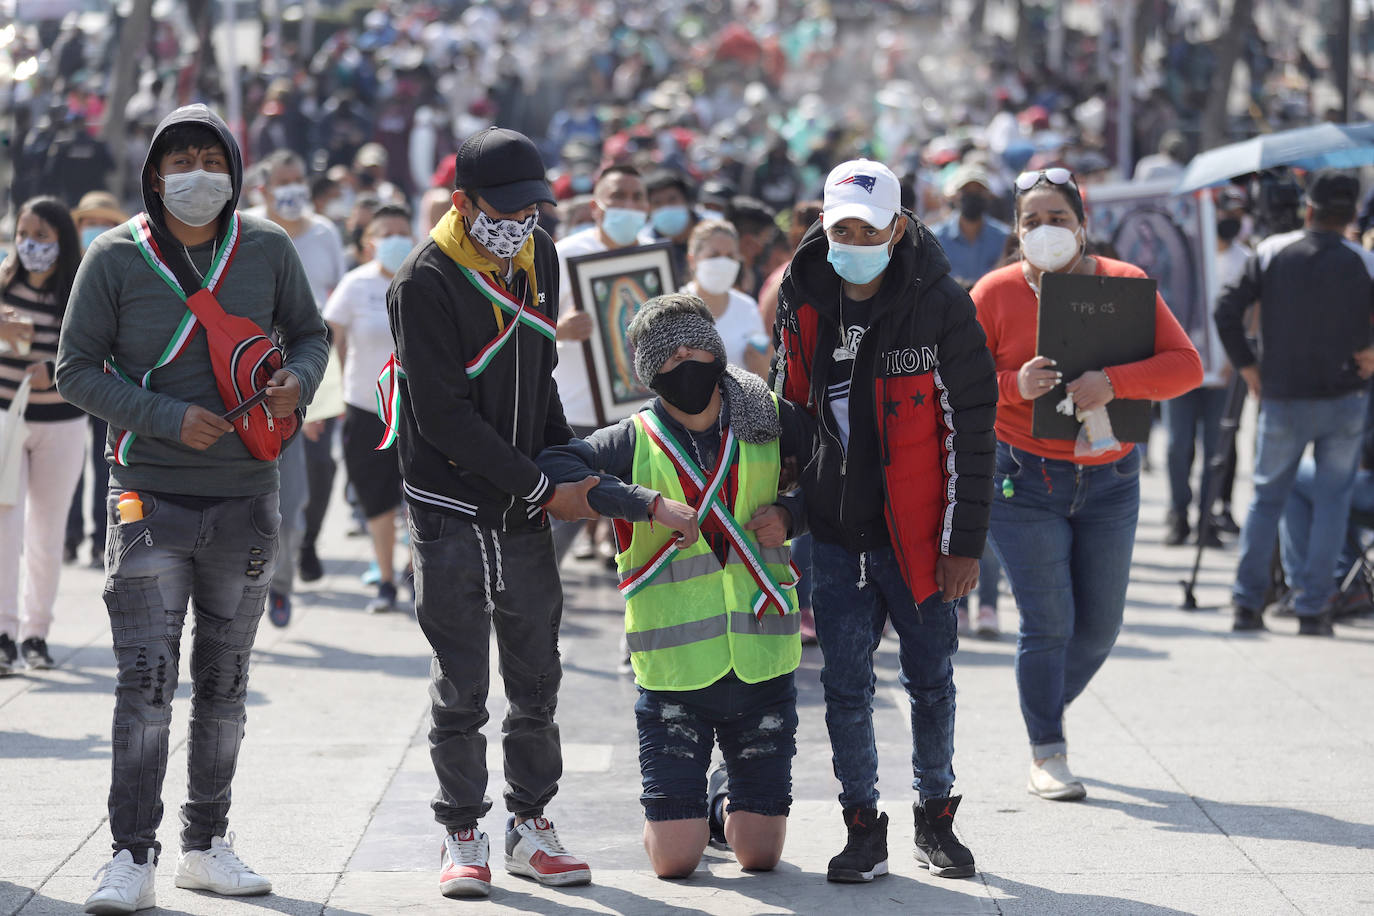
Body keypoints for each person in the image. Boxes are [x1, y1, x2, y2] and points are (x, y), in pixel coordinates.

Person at [57, 103, 329, 911]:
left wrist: (298, 382)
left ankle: (206, 844)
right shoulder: (112, 256)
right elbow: (75, 370)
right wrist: (167, 417)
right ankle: (129, 855)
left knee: (226, 682)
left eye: (212, 159)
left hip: (246, 498)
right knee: (144, 684)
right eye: (180, 162)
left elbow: (312, 336)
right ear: (153, 174)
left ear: (235, 172)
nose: (197, 175)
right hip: (148, 498)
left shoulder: (269, 248)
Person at [772, 158, 997, 883]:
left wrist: (963, 546)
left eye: (869, 227)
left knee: (931, 682)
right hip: (837, 538)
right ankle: (862, 825)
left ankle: (936, 817)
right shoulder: (801, 296)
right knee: (844, 688)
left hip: (921, 539)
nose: (854, 239)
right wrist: (787, 509)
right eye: (842, 227)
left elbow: (974, 428)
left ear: (898, 227)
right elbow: (791, 414)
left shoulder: (940, 301)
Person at [538, 293, 814, 878]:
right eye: (668, 353)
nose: (686, 358)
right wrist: (642, 504)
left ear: (716, 349)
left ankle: (721, 802)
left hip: (764, 662)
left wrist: (794, 514)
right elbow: (555, 466)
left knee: (759, 856)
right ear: (647, 371)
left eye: (695, 343)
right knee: (674, 863)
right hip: (674, 675)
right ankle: (700, 811)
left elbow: (840, 469)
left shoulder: (765, 420)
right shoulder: (629, 439)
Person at [386, 126, 594, 899]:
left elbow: (538, 376)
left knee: (537, 675)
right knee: (462, 682)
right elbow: (441, 417)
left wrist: (568, 460)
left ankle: (531, 825)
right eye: (503, 210)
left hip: (522, 506)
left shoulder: (540, 257)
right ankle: (462, 830)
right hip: (449, 511)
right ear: (462, 203)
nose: (520, 222)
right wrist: (543, 487)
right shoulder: (425, 281)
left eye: (533, 207)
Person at [971, 167, 1202, 801]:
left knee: (1099, 626)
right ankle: (1047, 748)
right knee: (1048, 622)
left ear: (1083, 225)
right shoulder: (991, 294)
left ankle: (1041, 702)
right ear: (1015, 233)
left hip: (1111, 480)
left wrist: (1117, 382)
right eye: (1031, 222)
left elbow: (1187, 366)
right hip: (1023, 477)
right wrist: (1011, 386)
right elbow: (947, 384)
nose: (1045, 231)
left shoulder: (1125, 285)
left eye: (1058, 219)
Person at [1215, 171, 1374, 637]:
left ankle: (1248, 604)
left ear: (1309, 207)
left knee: (1267, 498)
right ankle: (1313, 608)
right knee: (1332, 503)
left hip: (1282, 396)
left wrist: (1247, 366)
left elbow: (1226, 308)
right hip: (1345, 398)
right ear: (1349, 216)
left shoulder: (1270, 251)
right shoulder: (1362, 259)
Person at [249, 150, 347, 613]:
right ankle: (255, 573)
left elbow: (334, 317)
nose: (291, 190)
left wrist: (330, 386)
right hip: (252, 376)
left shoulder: (325, 234)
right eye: (282, 181)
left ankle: (287, 571)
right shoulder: (244, 230)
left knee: (307, 478)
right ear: (263, 188)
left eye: (298, 180)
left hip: (313, 369)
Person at [0, 197, 84, 675]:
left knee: (46, 534)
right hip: (5, 420)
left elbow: (95, 351)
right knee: (5, 529)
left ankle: (36, 633)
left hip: (60, 423)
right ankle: (4, 632)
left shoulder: (75, 291)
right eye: (24, 234)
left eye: (42, 237)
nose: (30, 245)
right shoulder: (3, 282)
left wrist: (52, 370)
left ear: (61, 242)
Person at [551, 164, 650, 564]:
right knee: (564, 516)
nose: (628, 205)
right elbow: (521, 323)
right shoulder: (564, 254)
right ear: (596, 206)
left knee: (643, 515)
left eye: (637, 197)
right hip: (574, 410)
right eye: (618, 197)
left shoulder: (650, 257)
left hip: (636, 413)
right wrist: (560, 329)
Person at [323, 203, 413, 613]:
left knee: (423, 497)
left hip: (421, 410)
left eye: (403, 232)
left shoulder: (427, 281)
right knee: (376, 499)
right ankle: (386, 580)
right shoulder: (355, 285)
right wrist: (322, 405)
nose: (396, 240)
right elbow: (329, 343)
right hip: (365, 407)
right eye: (386, 233)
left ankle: (416, 572)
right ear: (369, 242)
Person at [1162, 195, 1253, 547]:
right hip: (1180, 368)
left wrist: (1236, 356)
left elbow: (1251, 312)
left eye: (1235, 214)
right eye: (1223, 213)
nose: (1229, 220)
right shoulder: (1186, 255)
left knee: (1217, 446)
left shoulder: (1244, 259)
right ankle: (1179, 513)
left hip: (1224, 373)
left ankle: (1207, 518)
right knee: (1177, 446)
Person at [64, 191, 130, 570]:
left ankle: (99, 540)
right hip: (72, 384)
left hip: (110, 386)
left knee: (106, 464)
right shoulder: (65, 269)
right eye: (91, 222)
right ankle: (69, 537)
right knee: (70, 466)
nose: (98, 229)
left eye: (107, 222)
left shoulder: (119, 264)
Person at [681, 220, 771, 378]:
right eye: (714, 255)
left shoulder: (747, 307)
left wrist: (761, 364)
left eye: (730, 256)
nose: (723, 262)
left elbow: (763, 371)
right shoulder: (676, 308)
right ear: (692, 260)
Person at [931, 163, 1011, 289]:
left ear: (988, 196)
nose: (972, 196)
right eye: (966, 191)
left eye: (978, 191)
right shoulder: (935, 238)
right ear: (955, 196)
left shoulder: (1004, 238)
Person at [643, 169, 701, 281]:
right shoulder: (646, 244)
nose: (666, 207)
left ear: (687, 200)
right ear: (649, 209)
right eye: (657, 203)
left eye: (672, 200)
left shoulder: (713, 232)